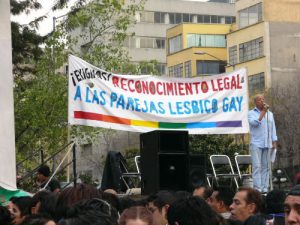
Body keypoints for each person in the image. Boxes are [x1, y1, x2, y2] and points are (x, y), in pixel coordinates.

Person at [248, 94, 277, 193]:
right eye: (259, 100)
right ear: (255, 102)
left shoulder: (270, 114)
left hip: (267, 143)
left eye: (263, 99)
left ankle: (265, 188)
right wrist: (263, 112)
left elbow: (273, 129)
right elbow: (255, 123)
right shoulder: (251, 113)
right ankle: (257, 189)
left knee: (266, 166)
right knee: (257, 167)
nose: (262, 101)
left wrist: (274, 141)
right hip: (256, 143)